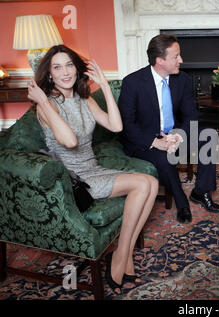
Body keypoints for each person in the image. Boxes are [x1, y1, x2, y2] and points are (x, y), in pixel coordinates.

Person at [28, 45, 158, 294]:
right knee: (142, 183)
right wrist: (43, 101)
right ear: (49, 74)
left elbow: (116, 125)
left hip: (93, 168)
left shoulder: (83, 97)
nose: (65, 72)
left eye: (69, 65)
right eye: (57, 67)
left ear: (77, 68)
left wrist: (106, 87)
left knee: (151, 183)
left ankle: (123, 256)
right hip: (76, 179)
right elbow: (69, 141)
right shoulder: (47, 106)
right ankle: (120, 258)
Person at [118, 34, 219, 224]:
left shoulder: (181, 79)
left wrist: (178, 135)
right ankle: (182, 202)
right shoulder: (132, 83)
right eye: (176, 56)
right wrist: (155, 142)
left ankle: (201, 192)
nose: (181, 60)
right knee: (164, 158)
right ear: (160, 60)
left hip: (173, 134)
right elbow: (127, 125)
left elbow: (191, 115)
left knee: (208, 137)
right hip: (144, 140)